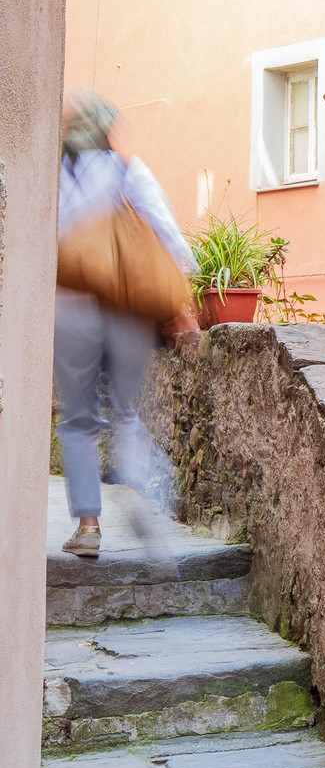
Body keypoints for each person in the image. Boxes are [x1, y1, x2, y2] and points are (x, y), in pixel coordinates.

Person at [55, 89, 194, 558]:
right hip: (128, 309)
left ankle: (89, 526)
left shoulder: (51, 175)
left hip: (71, 306)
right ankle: (135, 489)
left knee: (78, 420)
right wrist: (180, 309)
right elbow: (168, 235)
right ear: (106, 131)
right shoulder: (126, 170)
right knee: (127, 411)